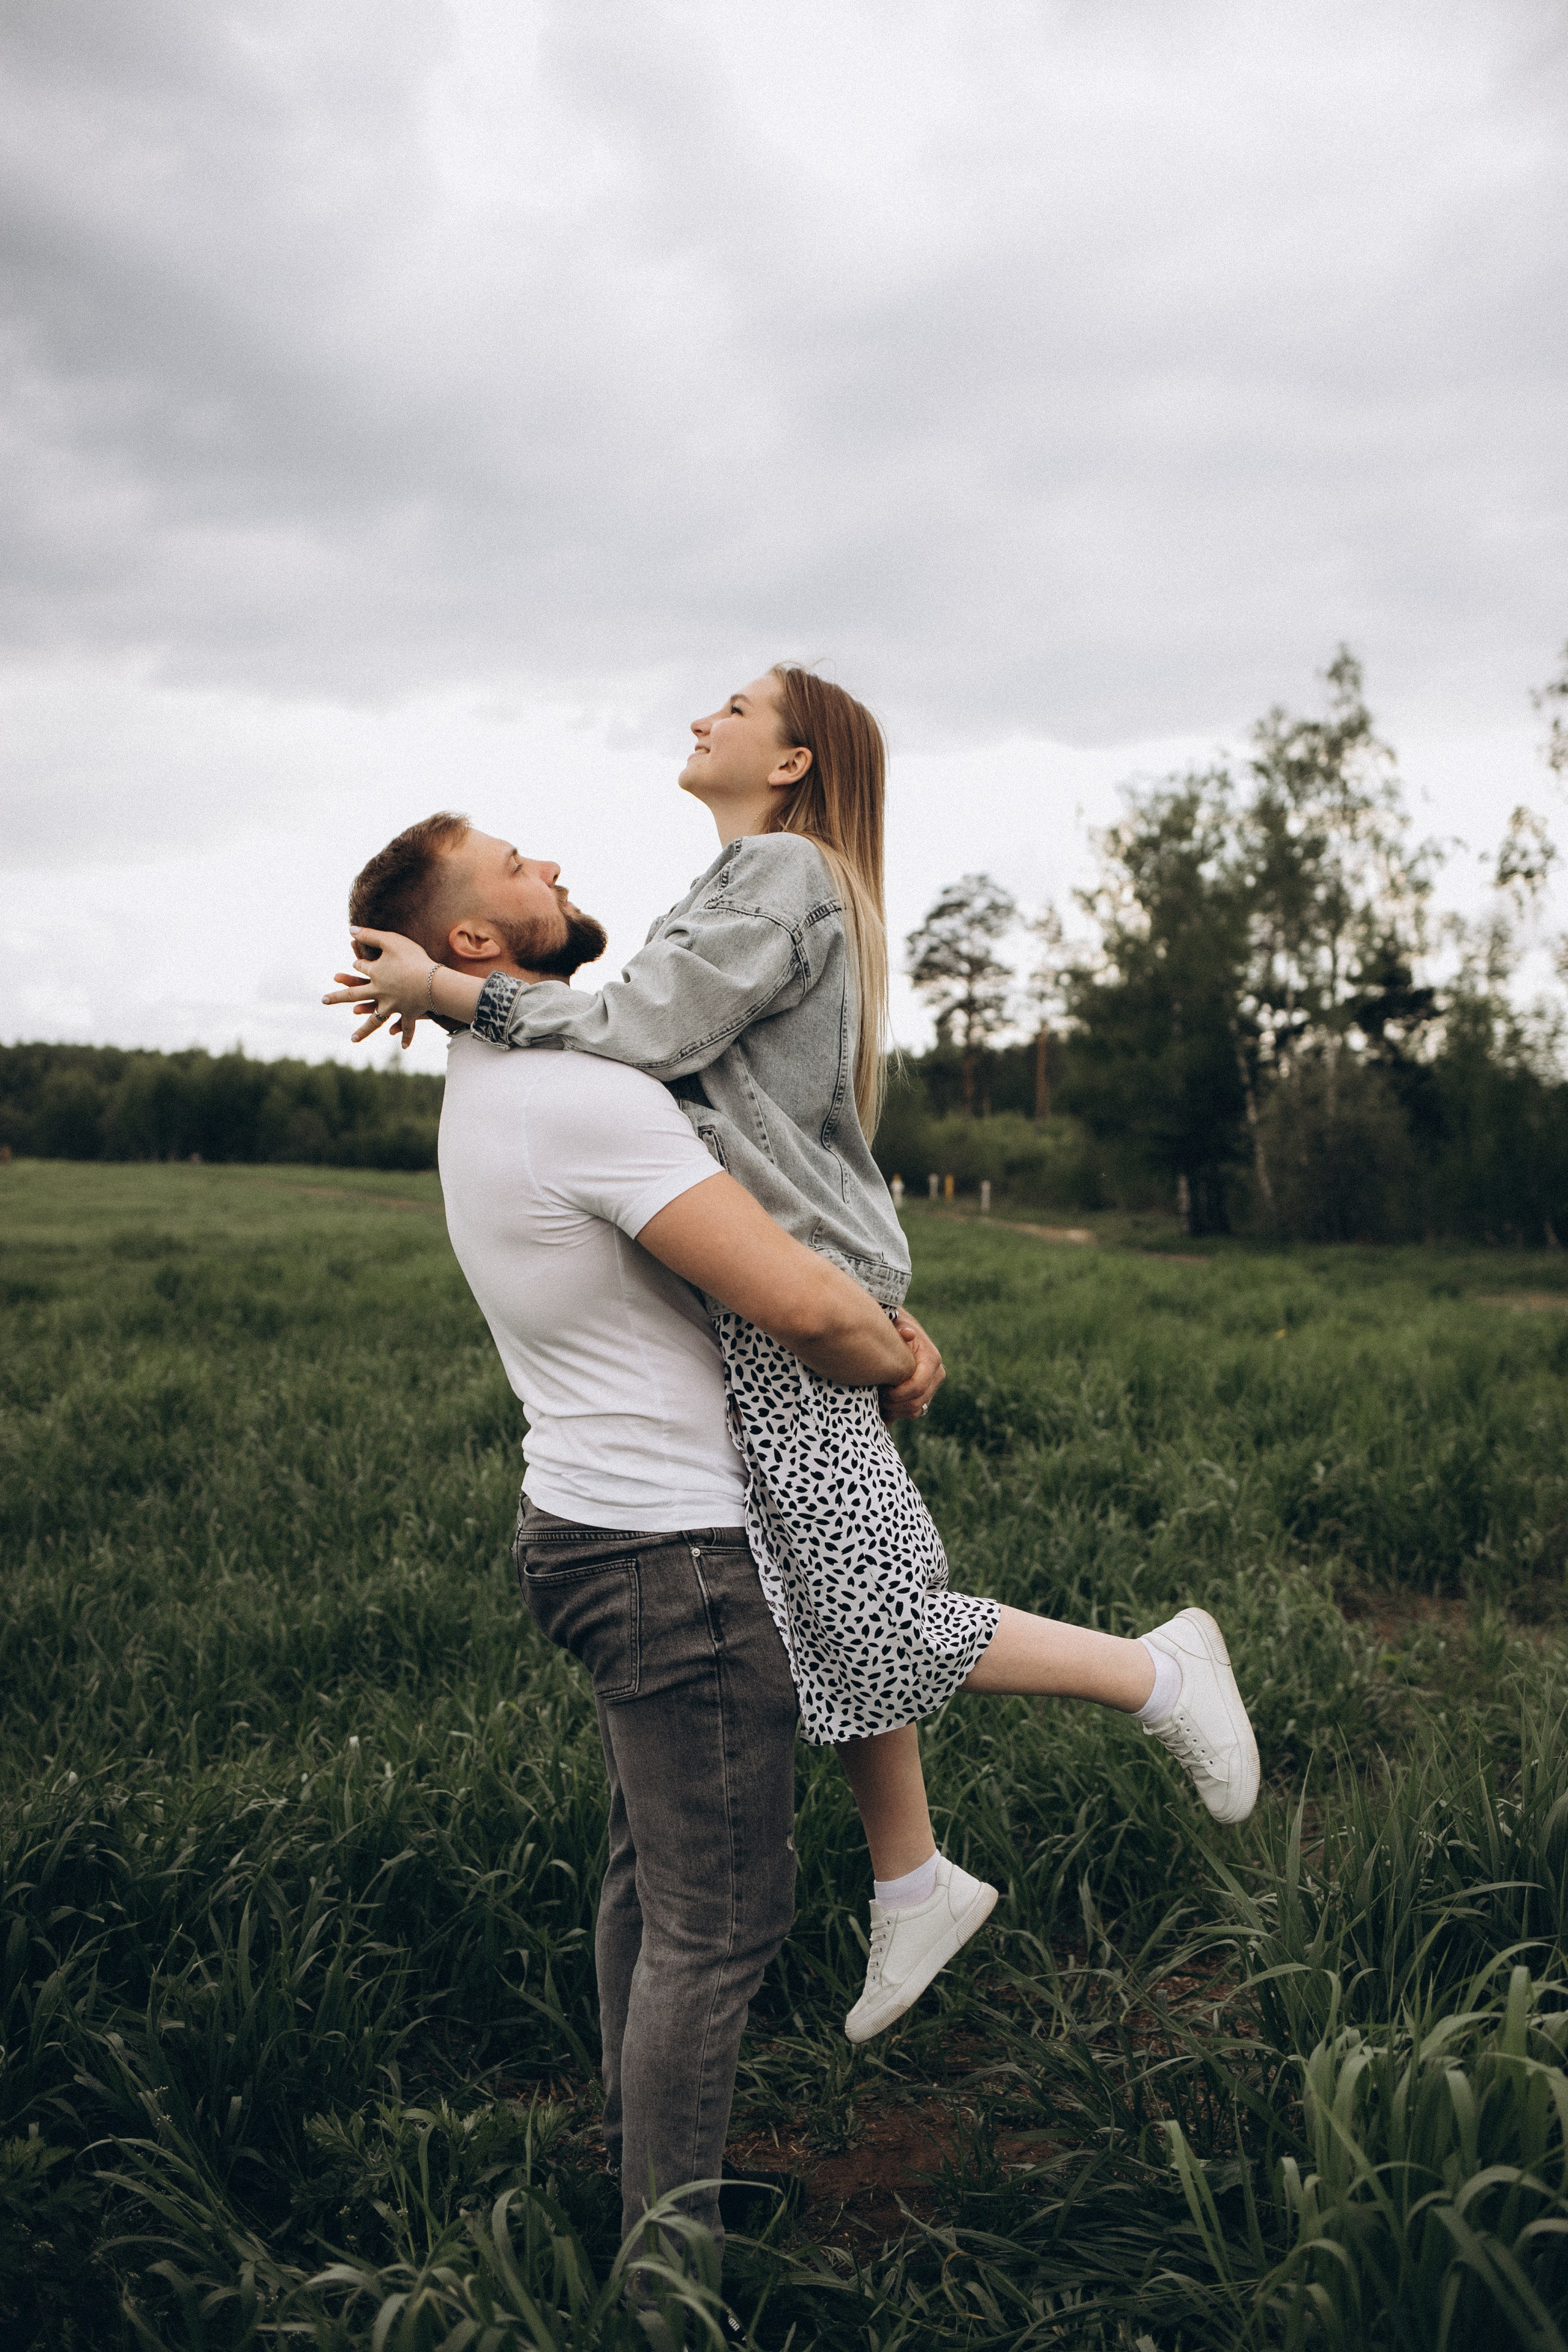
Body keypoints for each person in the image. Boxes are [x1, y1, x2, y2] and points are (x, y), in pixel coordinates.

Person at [328, 669, 1259, 2047]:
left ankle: (1160, 1674)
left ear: (791, 760)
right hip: (785, 1289)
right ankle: (910, 1880)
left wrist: (466, 997)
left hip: (792, 1299)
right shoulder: (732, 886)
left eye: (735, 708)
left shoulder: (780, 867)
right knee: (821, 1592)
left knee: (865, 1612)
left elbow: (646, 1035)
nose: (701, 717)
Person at [342, 812, 941, 2264]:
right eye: (510, 866)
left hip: (587, 1532)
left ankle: (641, 2185)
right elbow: (798, 1303)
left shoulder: (500, 1086)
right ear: (473, 944)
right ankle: (668, 2276)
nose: (547, 861)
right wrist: (895, 1347)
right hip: (676, 1562)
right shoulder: (586, 1101)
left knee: (650, 1887)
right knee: (716, 1930)